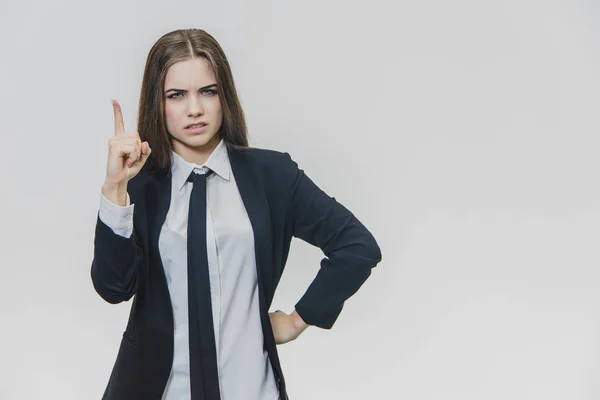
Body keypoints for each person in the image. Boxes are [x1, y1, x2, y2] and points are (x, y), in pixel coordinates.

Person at [91, 28, 382, 400]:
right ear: (157, 103)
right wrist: (115, 189)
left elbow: (357, 247)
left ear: (224, 95)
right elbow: (113, 289)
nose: (194, 109)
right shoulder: (140, 186)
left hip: (250, 389)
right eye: (176, 95)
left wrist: (298, 319)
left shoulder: (272, 175)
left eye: (207, 91)